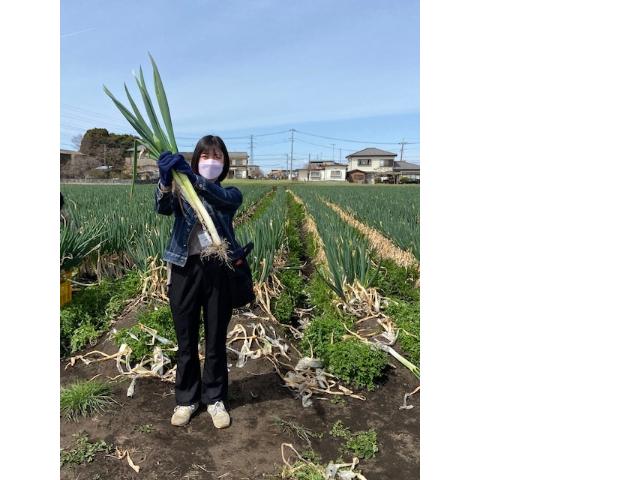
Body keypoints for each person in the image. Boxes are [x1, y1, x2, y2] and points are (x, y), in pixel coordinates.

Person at [154, 135, 244, 428]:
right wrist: (166, 180)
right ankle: (186, 400)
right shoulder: (182, 190)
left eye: (217, 156)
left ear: (225, 163)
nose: (211, 162)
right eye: (205, 157)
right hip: (184, 268)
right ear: (195, 160)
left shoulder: (231, 193)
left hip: (219, 268)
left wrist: (193, 177)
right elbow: (162, 207)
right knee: (186, 339)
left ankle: (216, 399)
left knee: (216, 337)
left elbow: (221, 201)